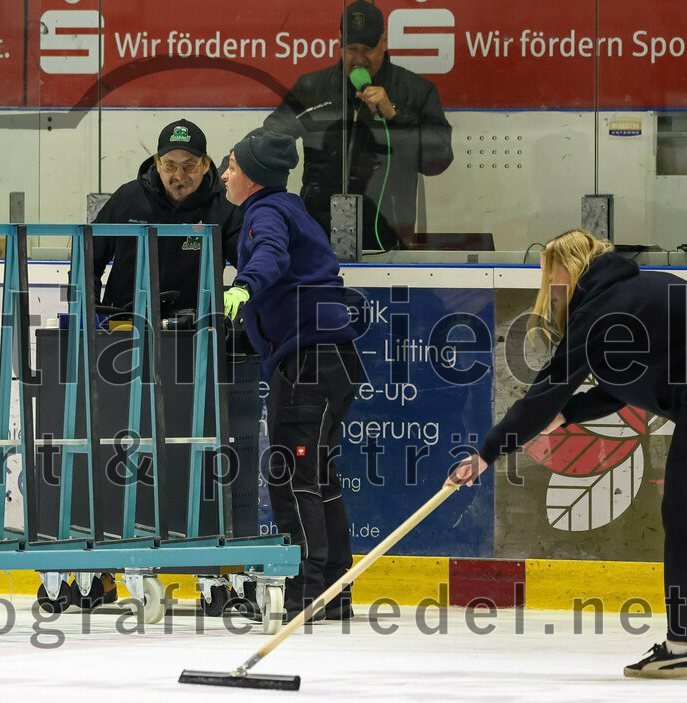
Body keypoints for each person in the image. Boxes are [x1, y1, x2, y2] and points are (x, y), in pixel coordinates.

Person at [447, 229, 687, 679]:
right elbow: (625, 378)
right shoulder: (642, 289)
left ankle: (681, 644)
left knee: (683, 518)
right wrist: (570, 414)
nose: (551, 289)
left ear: (569, 268)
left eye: (551, 277)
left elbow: (546, 391)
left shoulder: (598, 311)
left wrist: (486, 453)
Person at [222, 131, 361, 620]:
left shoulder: (266, 213)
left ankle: (305, 589)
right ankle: (334, 591)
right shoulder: (291, 207)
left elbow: (271, 256)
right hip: (329, 359)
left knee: (293, 473)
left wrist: (243, 286)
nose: (224, 174)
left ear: (253, 174)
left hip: (309, 364)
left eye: (231, 165)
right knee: (316, 473)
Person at [258, 0, 453, 250]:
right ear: (340, 40)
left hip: (387, 238)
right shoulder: (312, 88)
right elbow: (270, 139)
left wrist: (394, 116)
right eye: (352, 49)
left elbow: (439, 160)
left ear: (384, 41)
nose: (360, 59)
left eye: (368, 49)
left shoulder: (416, 92)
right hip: (317, 234)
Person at [93, 119, 242, 314]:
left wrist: (243, 288)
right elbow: (88, 257)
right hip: (123, 323)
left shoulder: (224, 205)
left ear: (205, 165)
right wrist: (88, 306)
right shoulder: (128, 198)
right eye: (170, 165)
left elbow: (250, 260)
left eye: (189, 165)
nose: (180, 175)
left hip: (195, 329)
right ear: (158, 163)